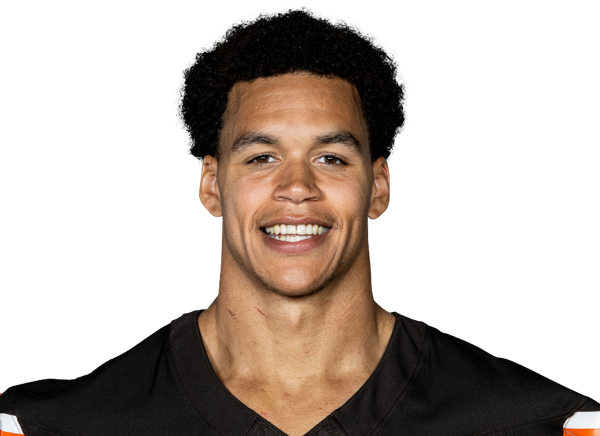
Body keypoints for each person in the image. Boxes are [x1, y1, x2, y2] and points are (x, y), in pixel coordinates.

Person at [1, 7, 597, 436]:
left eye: (331, 157)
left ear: (379, 187)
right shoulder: (49, 426)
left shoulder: (545, 423)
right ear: (211, 185)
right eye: (261, 157)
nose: (296, 187)